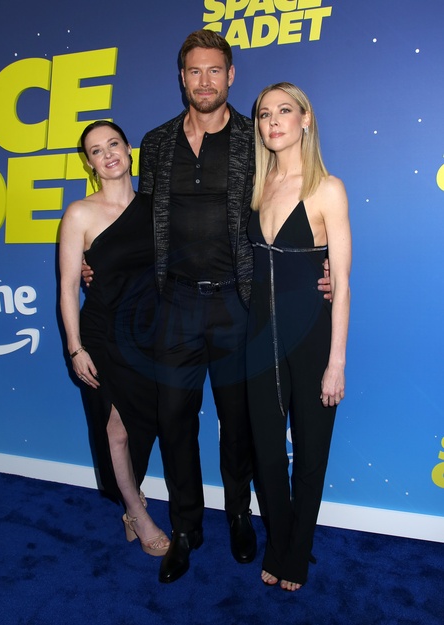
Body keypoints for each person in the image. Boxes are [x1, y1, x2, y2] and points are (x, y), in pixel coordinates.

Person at [138, 31, 332, 584]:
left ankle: (240, 515)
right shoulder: (155, 143)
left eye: (214, 70)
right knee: (174, 421)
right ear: (182, 77)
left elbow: (300, 202)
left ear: (230, 76)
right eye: (194, 71)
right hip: (174, 303)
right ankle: (185, 528)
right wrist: (97, 260)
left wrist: (323, 272)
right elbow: (139, 220)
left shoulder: (256, 139)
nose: (205, 81)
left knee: (240, 423)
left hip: (239, 303)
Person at [246, 82, 351, 591]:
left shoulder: (327, 188)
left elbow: (343, 283)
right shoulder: (257, 186)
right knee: (267, 451)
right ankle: (279, 541)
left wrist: (337, 363)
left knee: (310, 450)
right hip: (258, 339)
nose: (273, 122)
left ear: (305, 119)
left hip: (311, 337)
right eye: (264, 114)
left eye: (284, 111)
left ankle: (297, 550)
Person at [59, 120, 169, 557]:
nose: (107, 155)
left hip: (150, 336)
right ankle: (136, 512)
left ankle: (131, 495)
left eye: (113, 144)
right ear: (89, 163)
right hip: (102, 333)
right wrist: (75, 347)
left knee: (150, 421)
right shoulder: (79, 213)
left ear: (128, 149)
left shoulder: (157, 207)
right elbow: (68, 286)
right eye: (96, 150)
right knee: (115, 428)